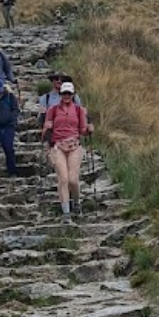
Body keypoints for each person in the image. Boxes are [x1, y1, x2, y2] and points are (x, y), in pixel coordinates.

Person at [43, 82, 94, 223]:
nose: (66, 96)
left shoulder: (78, 110)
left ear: (73, 95)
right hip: (57, 146)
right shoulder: (52, 110)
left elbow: (83, 130)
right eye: (64, 93)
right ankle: (66, 213)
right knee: (63, 179)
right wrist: (47, 131)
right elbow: (45, 132)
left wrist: (89, 129)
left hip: (74, 145)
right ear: (60, 94)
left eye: (69, 94)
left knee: (73, 180)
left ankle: (76, 203)